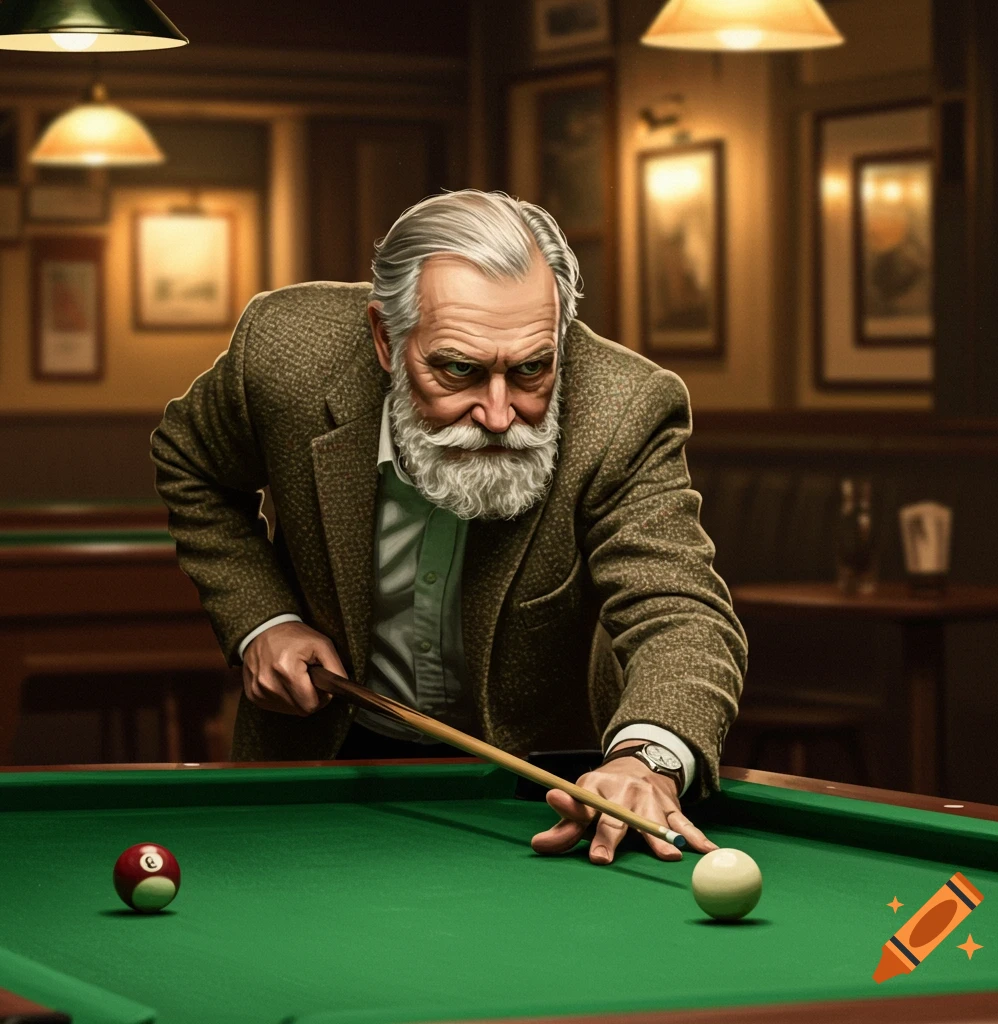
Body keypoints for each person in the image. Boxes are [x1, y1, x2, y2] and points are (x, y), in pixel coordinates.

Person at [150, 189, 748, 866]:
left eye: (531, 369)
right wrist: (264, 619)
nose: (499, 414)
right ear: (385, 338)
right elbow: (190, 463)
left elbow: (682, 612)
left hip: (542, 800)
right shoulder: (286, 355)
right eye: (459, 369)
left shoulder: (623, 410)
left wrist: (646, 757)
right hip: (320, 764)